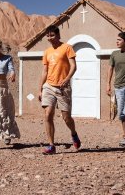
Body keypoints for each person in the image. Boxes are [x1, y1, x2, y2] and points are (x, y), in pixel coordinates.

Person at [38, 25, 81, 155]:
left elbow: (74, 66)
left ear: (58, 35)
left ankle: (74, 134)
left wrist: (67, 79)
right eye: (48, 35)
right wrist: (40, 88)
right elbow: (44, 71)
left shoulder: (67, 48)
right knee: (48, 114)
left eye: (52, 35)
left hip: (63, 87)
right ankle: (51, 145)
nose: (50, 38)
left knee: (66, 117)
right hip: (49, 86)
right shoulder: (47, 52)